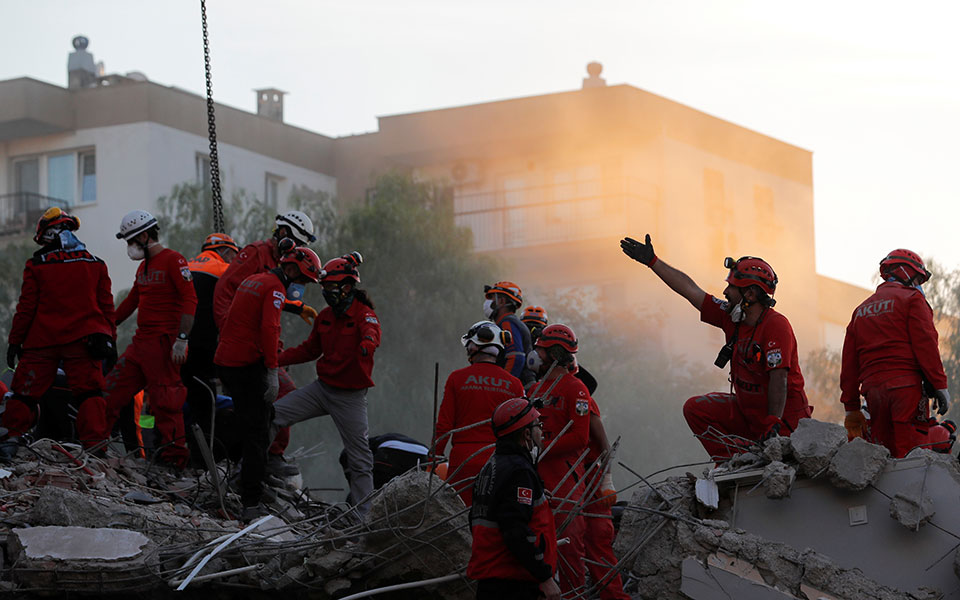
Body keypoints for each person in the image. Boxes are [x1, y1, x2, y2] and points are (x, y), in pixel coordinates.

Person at [620, 234, 812, 460]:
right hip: (749, 415)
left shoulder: (777, 326)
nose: (725, 292)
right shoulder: (731, 316)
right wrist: (653, 262)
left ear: (749, 294)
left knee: (780, 454)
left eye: (731, 286)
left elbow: (779, 380)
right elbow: (691, 290)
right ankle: (736, 462)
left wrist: (773, 425)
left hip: (784, 423)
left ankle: (753, 457)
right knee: (695, 409)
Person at [214, 247, 322, 520]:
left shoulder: (257, 279)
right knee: (258, 433)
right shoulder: (275, 287)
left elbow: (252, 311)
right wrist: (273, 370)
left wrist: (294, 307)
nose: (303, 286)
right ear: (292, 270)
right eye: (304, 280)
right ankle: (251, 502)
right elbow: (269, 328)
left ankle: (237, 478)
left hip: (226, 362)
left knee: (249, 422)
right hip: (245, 366)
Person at [271, 252, 381, 515]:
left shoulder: (364, 315)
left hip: (350, 398)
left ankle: (363, 517)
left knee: (360, 459)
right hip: (321, 390)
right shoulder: (326, 316)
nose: (326, 292)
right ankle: (255, 468)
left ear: (346, 287)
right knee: (272, 416)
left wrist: (367, 346)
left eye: (331, 287)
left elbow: (372, 333)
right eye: (324, 287)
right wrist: (275, 359)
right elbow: (310, 350)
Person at [2, 208, 116, 457]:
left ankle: (10, 441)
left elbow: (26, 307)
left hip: (42, 341)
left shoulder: (37, 265)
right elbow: (107, 306)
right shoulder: (96, 264)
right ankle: (95, 450)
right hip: (84, 340)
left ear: (49, 234)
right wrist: (111, 340)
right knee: (90, 393)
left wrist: (15, 342)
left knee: (24, 393)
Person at [103, 210, 197, 467]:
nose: (129, 248)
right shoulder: (143, 268)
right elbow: (132, 301)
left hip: (164, 344)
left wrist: (181, 339)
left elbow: (190, 299)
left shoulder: (174, 260)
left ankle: (175, 462)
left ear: (145, 236)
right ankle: (94, 446)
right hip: (141, 345)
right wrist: (105, 324)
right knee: (109, 392)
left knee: (166, 403)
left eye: (131, 241)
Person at [840, 249, 951, 458]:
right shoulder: (912, 299)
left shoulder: (860, 311)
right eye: (918, 278)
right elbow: (926, 345)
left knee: (883, 454)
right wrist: (940, 385)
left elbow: (849, 364)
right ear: (906, 273)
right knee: (912, 456)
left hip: (873, 393)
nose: (919, 285)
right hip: (906, 389)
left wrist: (851, 407)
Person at [468, 398, 561, 600]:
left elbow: (479, 517)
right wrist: (544, 577)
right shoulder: (519, 472)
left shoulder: (491, 466)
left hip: (492, 580)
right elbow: (515, 529)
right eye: (539, 426)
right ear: (526, 434)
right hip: (513, 582)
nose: (542, 433)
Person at [525, 323, 591, 595]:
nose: (534, 355)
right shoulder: (533, 391)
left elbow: (580, 437)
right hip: (535, 479)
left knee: (569, 546)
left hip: (565, 481)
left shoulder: (576, 389)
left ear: (553, 354)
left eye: (539, 350)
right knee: (535, 546)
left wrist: (544, 447)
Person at [434, 321, 525, 505]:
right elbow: (521, 432)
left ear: (475, 345)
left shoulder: (456, 378)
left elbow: (444, 425)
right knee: (493, 519)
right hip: (500, 463)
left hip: (463, 462)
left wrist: (433, 457)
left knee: (460, 520)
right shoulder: (515, 384)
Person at [183, 232, 239, 463]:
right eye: (233, 256)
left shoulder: (186, 266)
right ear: (225, 251)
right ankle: (205, 460)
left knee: (181, 398)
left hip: (180, 342)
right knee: (206, 403)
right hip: (206, 345)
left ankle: (175, 451)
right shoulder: (224, 270)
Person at [582, 396, 629, 600]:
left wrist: (606, 480)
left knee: (598, 535)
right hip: (564, 475)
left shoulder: (578, 395)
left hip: (587, 474)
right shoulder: (541, 395)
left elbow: (604, 446)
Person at [483, 282, 535, 387]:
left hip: (521, 386)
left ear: (501, 301)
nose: (487, 303)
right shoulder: (511, 322)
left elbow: (516, 357)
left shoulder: (507, 323)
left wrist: (503, 385)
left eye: (492, 298)